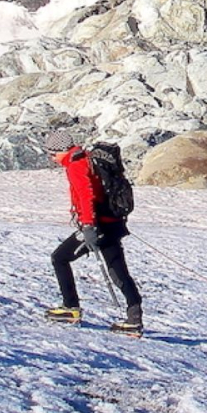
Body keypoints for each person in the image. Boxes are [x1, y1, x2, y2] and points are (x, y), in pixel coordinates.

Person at [43, 130, 144, 335]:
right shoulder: (87, 158)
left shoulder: (76, 165)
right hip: (111, 223)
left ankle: (71, 307)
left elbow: (86, 194)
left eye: (53, 154)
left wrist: (88, 226)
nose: (52, 159)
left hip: (98, 226)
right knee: (117, 270)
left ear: (62, 151)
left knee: (59, 258)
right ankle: (134, 317)